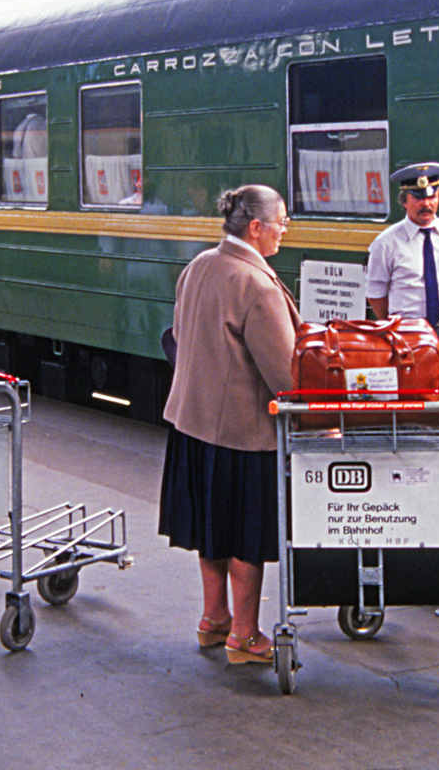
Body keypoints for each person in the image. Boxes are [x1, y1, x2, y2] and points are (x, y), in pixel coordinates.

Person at [158, 184, 298, 665]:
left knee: (211, 526)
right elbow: (285, 375)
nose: (285, 229)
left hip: (191, 424)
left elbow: (177, 336)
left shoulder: (199, 265)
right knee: (245, 535)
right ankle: (244, 634)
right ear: (255, 228)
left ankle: (213, 619)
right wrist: (324, 424)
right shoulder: (256, 285)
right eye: (280, 221)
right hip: (242, 433)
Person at [365, 161, 439, 385]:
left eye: (431, 197)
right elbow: (376, 294)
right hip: (408, 335)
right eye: (418, 198)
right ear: (404, 201)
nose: (426, 204)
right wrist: (397, 325)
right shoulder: (385, 243)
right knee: (413, 396)